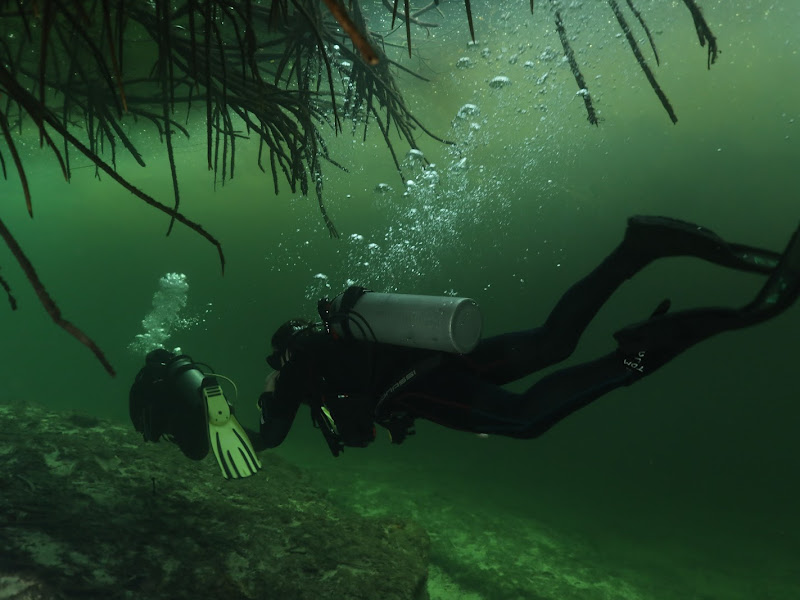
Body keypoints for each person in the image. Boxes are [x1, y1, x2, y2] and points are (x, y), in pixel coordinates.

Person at [129, 215, 799, 475]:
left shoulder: (299, 368)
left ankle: (638, 354)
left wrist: (219, 409)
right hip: (439, 358)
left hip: (415, 386)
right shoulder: (318, 348)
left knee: (525, 417)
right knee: (551, 340)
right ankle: (637, 248)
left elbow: (256, 447)